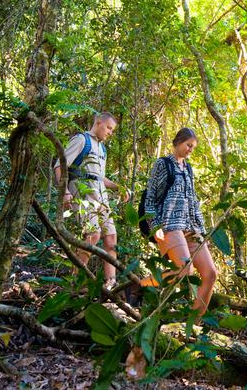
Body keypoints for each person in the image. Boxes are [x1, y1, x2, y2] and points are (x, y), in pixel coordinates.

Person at [143, 127, 217, 316]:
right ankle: (140, 284)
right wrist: (155, 225)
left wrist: (201, 229)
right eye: (188, 145)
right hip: (169, 225)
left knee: (210, 274)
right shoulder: (163, 164)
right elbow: (150, 198)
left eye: (193, 147)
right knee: (184, 270)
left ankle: (193, 324)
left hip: (190, 226)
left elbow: (193, 200)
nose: (190, 149)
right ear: (178, 142)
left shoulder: (188, 168)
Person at [54, 112, 130, 289]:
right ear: (98, 123)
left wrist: (118, 187)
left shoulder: (102, 149)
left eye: (112, 129)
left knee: (111, 237)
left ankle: (110, 283)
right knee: (93, 234)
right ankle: (76, 281)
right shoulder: (81, 140)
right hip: (83, 193)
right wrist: (64, 191)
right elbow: (60, 165)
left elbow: (100, 178)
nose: (110, 132)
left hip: (101, 196)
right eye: (109, 128)